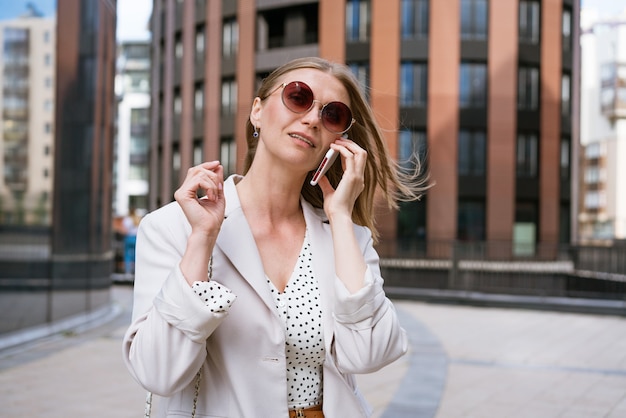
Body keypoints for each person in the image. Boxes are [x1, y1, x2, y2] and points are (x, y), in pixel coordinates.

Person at [122, 56, 427, 418]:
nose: (313, 118)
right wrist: (202, 239)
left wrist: (342, 217)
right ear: (257, 111)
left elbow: (370, 353)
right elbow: (157, 372)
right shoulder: (174, 227)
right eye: (298, 98)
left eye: (332, 115)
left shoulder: (346, 237)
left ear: (338, 140)